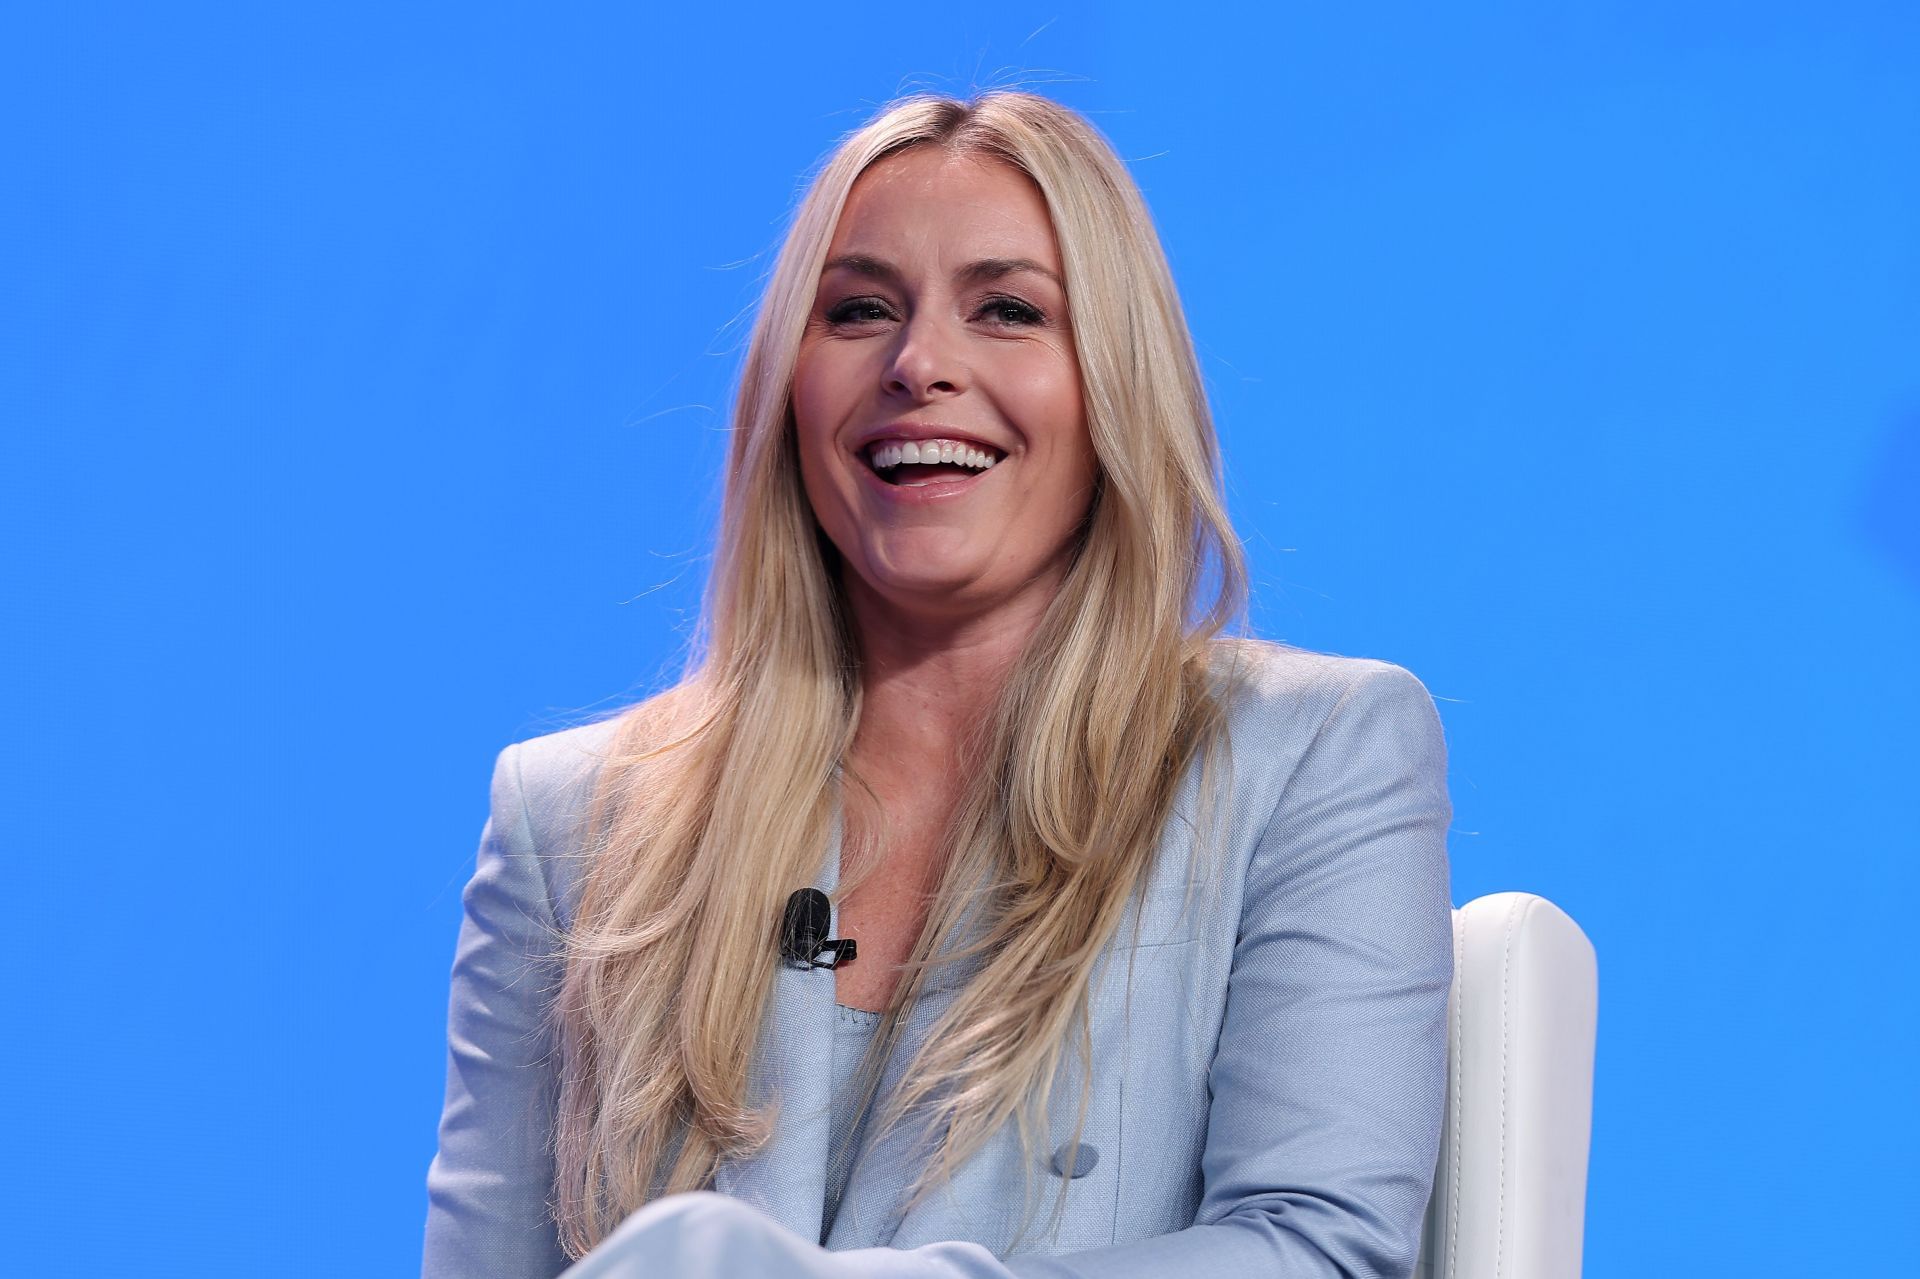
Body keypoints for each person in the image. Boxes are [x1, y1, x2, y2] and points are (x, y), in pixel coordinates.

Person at [422, 90, 1454, 1279]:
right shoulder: (567, 820)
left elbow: (1317, 1253)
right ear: (788, 389)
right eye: (858, 311)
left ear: (1116, 382)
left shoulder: (1312, 753)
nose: (919, 366)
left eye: (1009, 310)